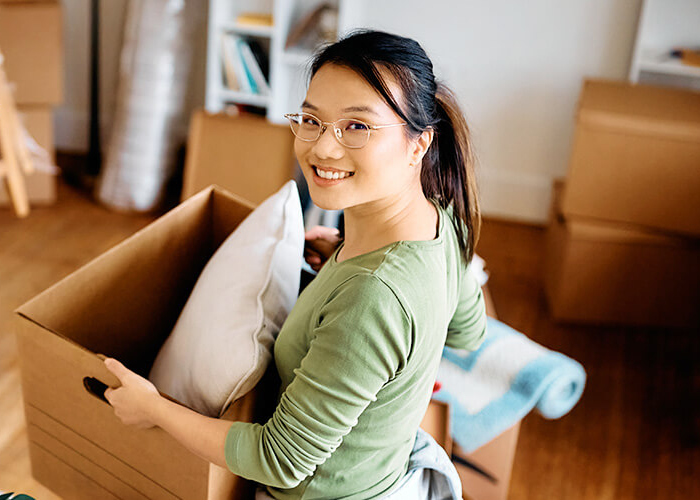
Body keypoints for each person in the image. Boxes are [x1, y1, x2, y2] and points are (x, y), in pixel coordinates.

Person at [102, 30, 488, 499]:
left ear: (418, 144)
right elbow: (468, 331)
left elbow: (281, 461)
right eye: (311, 119)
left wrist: (153, 409)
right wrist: (344, 253)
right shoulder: (442, 219)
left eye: (357, 126)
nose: (323, 148)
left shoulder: (371, 297)